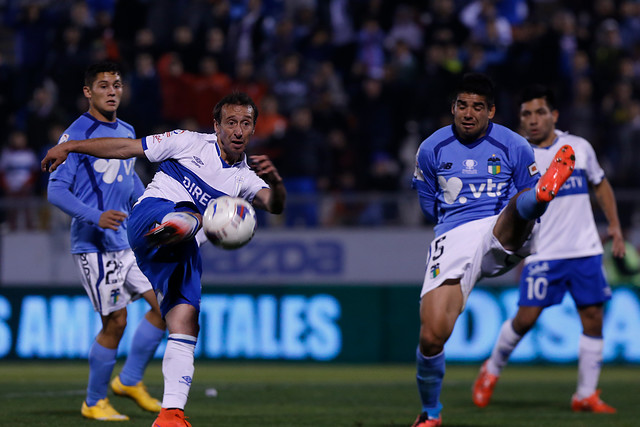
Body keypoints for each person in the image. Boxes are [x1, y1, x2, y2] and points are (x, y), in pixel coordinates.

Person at [42, 91, 286, 427]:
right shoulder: (187, 142)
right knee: (196, 216)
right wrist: (70, 146)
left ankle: (170, 415)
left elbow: (273, 204)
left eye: (246, 123)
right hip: (148, 217)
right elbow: (125, 149)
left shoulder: (244, 178)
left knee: (185, 322)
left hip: (180, 251)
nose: (238, 130)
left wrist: (276, 182)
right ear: (216, 126)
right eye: (231, 123)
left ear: (254, 129)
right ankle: (178, 223)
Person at [409, 73, 575, 427]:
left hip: (503, 225)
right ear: (453, 108)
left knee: (522, 201)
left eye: (478, 107)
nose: (469, 113)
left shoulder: (514, 145)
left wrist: (532, 200)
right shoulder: (430, 149)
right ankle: (431, 413)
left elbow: (523, 189)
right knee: (432, 335)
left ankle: (544, 196)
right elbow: (427, 206)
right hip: (454, 235)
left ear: (492, 112)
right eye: (463, 105)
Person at [472, 84, 625, 413]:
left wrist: (614, 225)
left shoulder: (578, 147)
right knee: (525, 320)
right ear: (520, 119)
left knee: (594, 317)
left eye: (540, 112)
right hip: (544, 252)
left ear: (554, 115)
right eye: (526, 113)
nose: (533, 119)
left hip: (584, 250)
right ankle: (491, 369)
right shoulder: (517, 156)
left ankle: (585, 394)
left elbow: (600, 183)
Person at [46, 61, 166, 421]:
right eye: (103, 86)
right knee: (116, 323)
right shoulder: (75, 136)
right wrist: (95, 216)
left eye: (117, 85)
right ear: (88, 92)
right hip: (94, 247)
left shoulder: (126, 130)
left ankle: (128, 381)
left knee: (164, 307)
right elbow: (55, 191)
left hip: (126, 243)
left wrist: (151, 211)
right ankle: (94, 400)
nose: (112, 91)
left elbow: (129, 183)